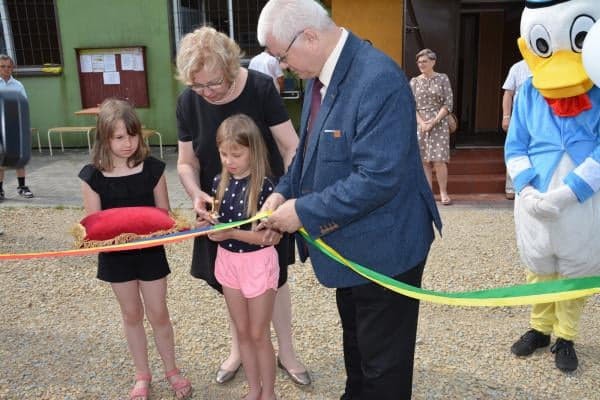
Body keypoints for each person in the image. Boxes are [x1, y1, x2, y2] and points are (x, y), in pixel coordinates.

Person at [256, 1, 442, 399]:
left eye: (283, 57)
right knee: (357, 343)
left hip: (386, 249)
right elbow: (306, 155)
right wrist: (281, 193)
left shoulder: (377, 79)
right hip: (349, 249)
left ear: (308, 36)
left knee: (384, 365)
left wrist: (302, 213)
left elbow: (378, 179)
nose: (284, 67)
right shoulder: (320, 78)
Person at [175, 26, 310, 385]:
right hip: (219, 205)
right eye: (198, 86)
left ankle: (287, 351)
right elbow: (186, 162)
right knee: (229, 277)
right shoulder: (189, 101)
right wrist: (195, 194)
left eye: (213, 83)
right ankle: (239, 348)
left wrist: (282, 195)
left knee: (274, 279)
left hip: (265, 201)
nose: (207, 93)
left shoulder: (261, 88)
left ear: (231, 67)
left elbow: (291, 147)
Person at [78, 99, 192, 400]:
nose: (127, 143)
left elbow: (163, 212)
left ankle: (171, 369)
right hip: (116, 259)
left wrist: (169, 226)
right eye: (119, 137)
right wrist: (109, 238)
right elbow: (94, 224)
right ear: (104, 138)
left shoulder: (153, 169)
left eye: (132, 135)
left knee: (159, 313)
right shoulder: (92, 176)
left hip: (150, 253)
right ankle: (142, 374)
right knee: (131, 314)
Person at [204, 114, 280, 400]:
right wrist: (210, 225)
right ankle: (253, 390)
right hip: (228, 263)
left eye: (236, 153)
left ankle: (269, 393)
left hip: (258, 264)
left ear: (253, 150)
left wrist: (231, 234)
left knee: (259, 334)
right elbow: (217, 226)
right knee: (243, 332)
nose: (229, 160)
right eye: (223, 153)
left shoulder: (266, 188)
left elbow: (267, 238)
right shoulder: (218, 183)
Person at [409, 49, 454, 205]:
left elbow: (448, 103)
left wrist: (434, 121)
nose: (421, 64)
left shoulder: (442, 78)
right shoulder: (414, 81)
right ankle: (428, 192)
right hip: (420, 123)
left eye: (425, 61)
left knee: (439, 160)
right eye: (419, 62)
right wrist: (422, 122)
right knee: (424, 161)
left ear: (433, 62)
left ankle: (443, 192)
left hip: (439, 122)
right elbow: (410, 105)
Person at [0, 54, 34, 201]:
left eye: (9, 66)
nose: (6, 69)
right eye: (2, 66)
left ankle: (22, 187)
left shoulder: (18, 85)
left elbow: (24, 104)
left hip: (15, 126)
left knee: (19, 157)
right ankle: (0, 189)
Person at [501, 59, 531, 200]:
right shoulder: (518, 67)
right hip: (519, 117)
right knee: (515, 149)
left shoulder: (549, 64)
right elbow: (508, 93)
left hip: (539, 118)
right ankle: (511, 186)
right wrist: (506, 116)